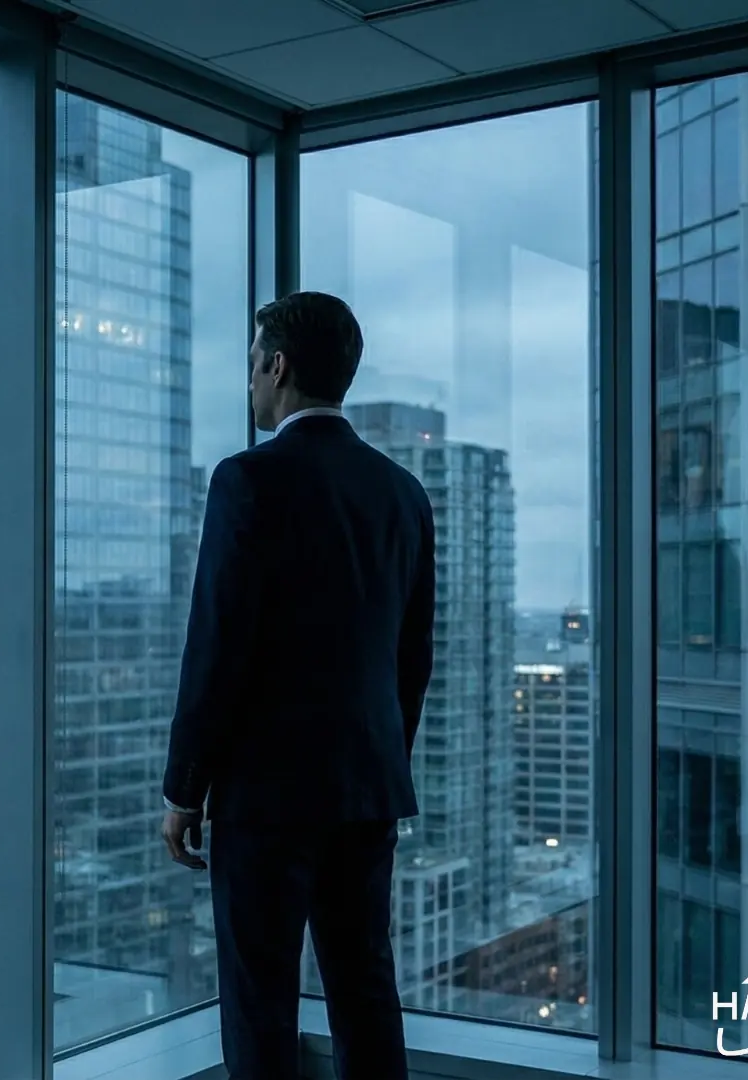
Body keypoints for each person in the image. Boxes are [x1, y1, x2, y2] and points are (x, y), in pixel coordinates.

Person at [159, 291, 433, 1079]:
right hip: (367, 788)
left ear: (276, 366)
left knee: (260, 1004)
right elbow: (411, 659)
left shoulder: (246, 480)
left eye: (252, 362)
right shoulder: (402, 493)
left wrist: (185, 788)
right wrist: (381, 762)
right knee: (365, 991)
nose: (249, 380)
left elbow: (216, 644)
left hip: (268, 796)